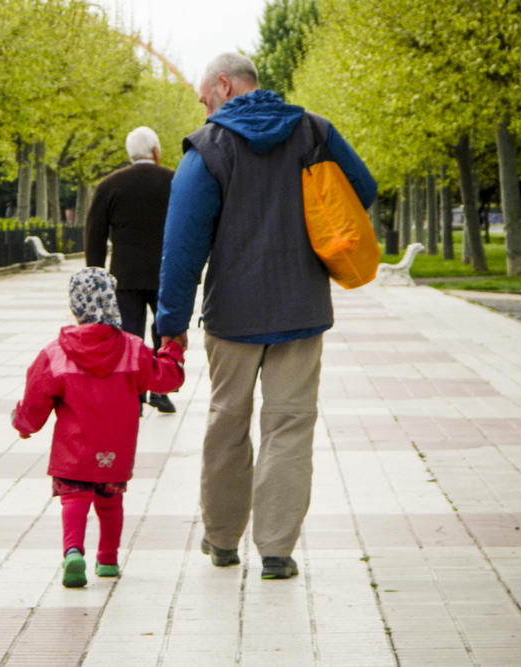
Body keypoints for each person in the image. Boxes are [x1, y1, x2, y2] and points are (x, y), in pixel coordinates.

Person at [156, 53, 377, 579]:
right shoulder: (315, 132)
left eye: (205, 95)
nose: (204, 105)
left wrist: (171, 323)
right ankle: (277, 550)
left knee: (227, 424)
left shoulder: (207, 148)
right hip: (302, 307)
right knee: (290, 426)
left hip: (232, 317)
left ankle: (223, 540)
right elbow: (362, 189)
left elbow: (182, 245)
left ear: (225, 85)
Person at [12, 267, 185, 587]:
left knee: (74, 499)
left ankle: (73, 550)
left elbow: (37, 393)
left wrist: (25, 424)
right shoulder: (132, 348)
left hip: (73, 450)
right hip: (115, 450)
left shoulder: (56, 352)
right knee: (110, 502)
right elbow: (165, 378)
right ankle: (107, 559)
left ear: (76, 307)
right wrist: (173, 351)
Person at [85, 127, 177, 413]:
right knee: (164, 333)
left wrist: (96, 274)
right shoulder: (175, 181)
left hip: (125, 275)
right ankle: (160, 390)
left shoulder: (110, 185)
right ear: (156, 151)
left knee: (129, 335)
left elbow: (94, 234)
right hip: (166, 273)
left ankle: (133, 394)